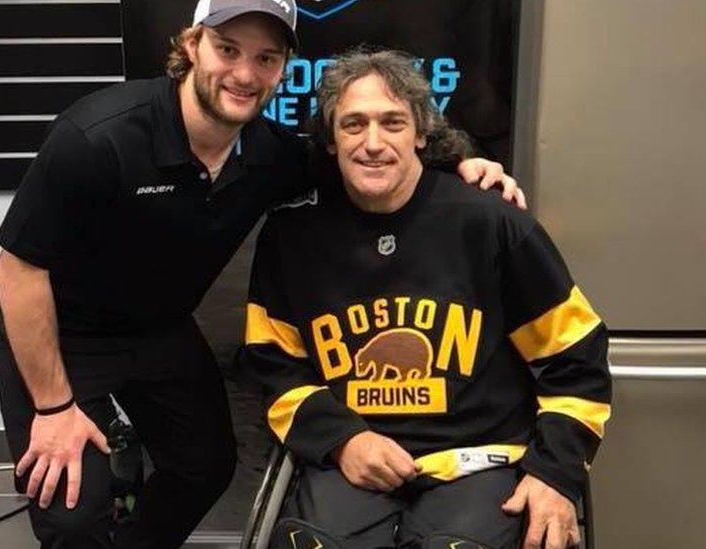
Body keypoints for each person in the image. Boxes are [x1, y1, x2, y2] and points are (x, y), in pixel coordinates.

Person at [0, 0, 525, 546]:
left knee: (205, 467)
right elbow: (19, 268)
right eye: (227, 50)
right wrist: (53, 408)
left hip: (157, 326)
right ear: (191, 45)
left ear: (283, 68)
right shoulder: (97, 135)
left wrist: (461, 162)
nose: (245, 74)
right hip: (57, 325)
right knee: (75, 509)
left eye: (266, 58)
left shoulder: (271, 155)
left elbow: (370, 152)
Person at [241, 48, 612, 549]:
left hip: (482, 462)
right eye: (353, 125)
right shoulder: (291, 234)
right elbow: (274, 363)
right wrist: (342, 440)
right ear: (330, 140)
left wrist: (555, 474)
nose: (372, 143)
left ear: (421, 134)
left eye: (392, 123)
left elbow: (577, 359)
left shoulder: (491, 223)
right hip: (354, 459)